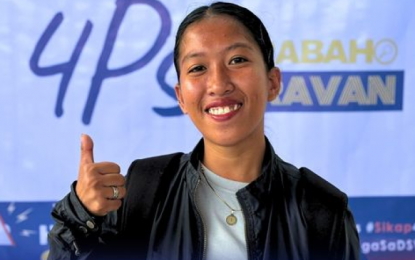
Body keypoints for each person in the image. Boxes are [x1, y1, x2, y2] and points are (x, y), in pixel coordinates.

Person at [47, 2, 360, 260]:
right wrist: (81, 215)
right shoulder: (143, 191)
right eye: (198, 68)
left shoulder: (321, 209)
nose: (218, 84)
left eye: (237, 60)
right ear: (181, 96)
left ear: (273, 82)